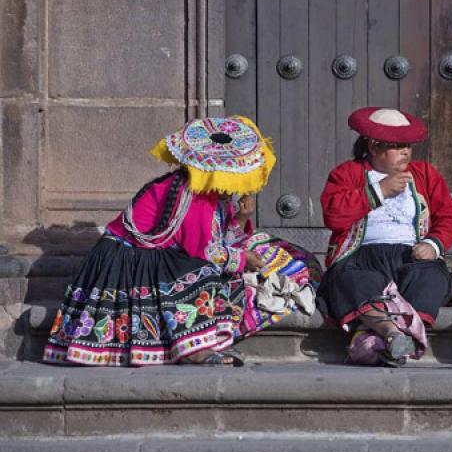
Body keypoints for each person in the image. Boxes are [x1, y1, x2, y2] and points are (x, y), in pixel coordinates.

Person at [43, 116, 277, 366]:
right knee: (205, 273)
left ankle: (207, 340)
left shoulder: (209, 197)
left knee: (243, 264)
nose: (233, 189)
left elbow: (218, 239)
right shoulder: (194, 197)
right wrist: (242, 259)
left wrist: (241, 218)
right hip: (128, 262)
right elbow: (207, 252)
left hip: (153, 256)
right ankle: (195, 349)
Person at [318, 107, 452, 366]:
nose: (406, 152)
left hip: (410, 255)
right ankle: (392, 333)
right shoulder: (347, 174)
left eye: (408, 146)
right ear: (374, 146)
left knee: (432, 277)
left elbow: (448, 217)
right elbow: (333, 215)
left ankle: (374, 336)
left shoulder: (425, 174)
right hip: (362, 257)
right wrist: (379, 191)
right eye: (397, 146)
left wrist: (433, 244)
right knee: (350, 280)